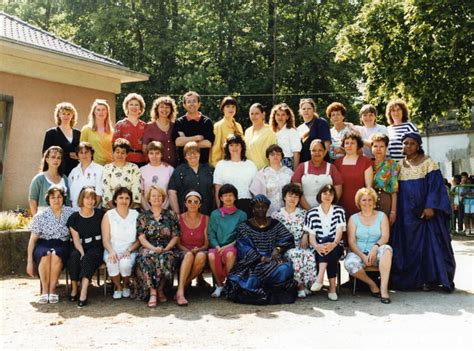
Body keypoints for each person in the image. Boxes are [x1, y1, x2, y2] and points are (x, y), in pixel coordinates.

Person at [391, 132, 455, 292]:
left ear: (418, 145)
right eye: (405, 143)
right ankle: (411, 281)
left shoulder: (429, 163)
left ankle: (430, 279)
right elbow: (394, 189)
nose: (408, 146)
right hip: (405, 214)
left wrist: (431, 206)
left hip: (425, 213)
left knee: (429, 246)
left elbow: (436, 187)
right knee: (408, 246)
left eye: (411, 143)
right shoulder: (398, 165)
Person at [224, 195, 297, 305]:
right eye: (257, 207)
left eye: (263, 207)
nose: (260, 209)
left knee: (285, 268)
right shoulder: (244, 227)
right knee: (249, 281)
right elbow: (244, 247)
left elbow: (287, 238)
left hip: (273, 261)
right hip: (252, 263)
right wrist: (261, 258)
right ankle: (262, 290)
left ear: (267, 208)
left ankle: (272, 290)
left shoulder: (275, 224)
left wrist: (277, 249)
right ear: (253, 209)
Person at [26, 186, 75, 304]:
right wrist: (29, 262)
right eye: (53, 197)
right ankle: (44, 291)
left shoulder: (71, 213)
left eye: (59, 197)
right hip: (44, 243)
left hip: (62, 243)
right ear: (48, 199)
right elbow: (32, 240)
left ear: (63, 198)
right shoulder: (41, 215)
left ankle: (52, 291)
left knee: (56, 254)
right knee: (46, 254)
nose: (56, 200)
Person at [344, 188, 392, 303]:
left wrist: (375, 248)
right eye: (364, 200)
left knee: (387, 250)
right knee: (349, 263)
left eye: (370, 200)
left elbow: (385, 236)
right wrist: (363, 256)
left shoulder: (382, 216)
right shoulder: (353, 218)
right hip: (358, 253)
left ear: (374, 201)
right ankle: (372, 284)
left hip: (377, 251)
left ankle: (384, 290)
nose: (367, 203)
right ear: (359, 202)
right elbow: (351, 242)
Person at [135, 186, 180, 307]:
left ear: (163, 199)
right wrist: (153, 248)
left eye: (159, 196)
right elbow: (141, 237)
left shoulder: (171, 215)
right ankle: (153, 292)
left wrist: (167, 248)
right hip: (148, 247)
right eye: (153, 196)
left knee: (167, 258)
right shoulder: (143, 216)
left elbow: (176, 235)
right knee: (147, 257)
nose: (156, 198)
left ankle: (160, 288)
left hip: (167, 247)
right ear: (149, 199)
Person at [272, 183, 316, 298]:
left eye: (296, 197)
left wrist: (305, 234)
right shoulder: (276, 215)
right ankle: (300, 286)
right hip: (284, 247)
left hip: (301, 246)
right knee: (295, 255)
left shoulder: (304, 214)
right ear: (284, 197)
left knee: (309, 255)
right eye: (290, 195)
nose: (293, 199)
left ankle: (306, 285)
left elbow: (310, 229)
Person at [305, 185, 345, 301]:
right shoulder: (311, 213)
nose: (327, 196)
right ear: (320, 195)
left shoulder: (339, 211)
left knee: (328, 242)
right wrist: (317, 246)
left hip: (336, 246)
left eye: (330, 194)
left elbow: (339, 231)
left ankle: (320, 278)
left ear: (334, 197)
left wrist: (334, 243)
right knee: (326, 247)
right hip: (318, 248)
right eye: (325, 193)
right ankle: (332, 288)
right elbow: (311, 236)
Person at [67, 187, 104, 307]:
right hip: (80, 246)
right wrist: (81, 253)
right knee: (74, 256)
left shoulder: (100, 215)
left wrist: (85, 256)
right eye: (87, 198)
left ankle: (83, 293)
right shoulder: (74, 218)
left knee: (89, 257)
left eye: (93, 198)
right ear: (82, 200)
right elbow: (76, 240)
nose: (91, 201)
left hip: (96, 248)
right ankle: (74, 288)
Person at [208, 184, 247, 298]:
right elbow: (211, 234)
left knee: (230, 253)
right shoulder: (215, 214)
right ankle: (219, 285)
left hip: (233, 246)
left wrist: (229, 245)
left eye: (231, 195)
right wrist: (217, 247)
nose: (228, 198)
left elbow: (241, 235)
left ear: (235, 197)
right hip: (217, 246)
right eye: (225, 195)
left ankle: (230, 284)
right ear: (220, 198)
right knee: (211, 255)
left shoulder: (242, 215)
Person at [101, 187, 140, 299]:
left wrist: (130, 250)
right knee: (112, 262)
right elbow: (105, 240)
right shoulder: (108, 215)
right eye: (121, 198)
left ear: (130, 201)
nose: (124, 201)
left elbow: (139, 239)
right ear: (115, 200)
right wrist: (111, 251)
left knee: (125, 264)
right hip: (112, 248)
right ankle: (118, 287)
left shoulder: (136, 215)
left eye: (127, 198)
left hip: (130, 249)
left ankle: (126, 285)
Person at [175, 191, 209, 306]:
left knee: (201, 256)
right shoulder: (178, 218)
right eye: (189, 201)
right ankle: (181, 291)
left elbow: (206, 244)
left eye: (196, 202)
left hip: (199, 250)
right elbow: (178, 243)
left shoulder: (206, 219)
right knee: (189, 255)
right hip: (183, 251)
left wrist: (198, 249)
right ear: (185, 203)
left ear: (200, 205)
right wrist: (188, 251)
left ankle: (182, 287)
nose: (192, 204)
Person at [291, 139, 343, 210]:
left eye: (320, 150)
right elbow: (297, 192)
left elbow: (338, 192)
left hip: (327, 210)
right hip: (304, 210)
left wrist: (326, 209)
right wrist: (310, 211)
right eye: (314, 150)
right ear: (310, 152)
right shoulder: (301, 167)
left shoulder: (332, 168)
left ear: (325, 151)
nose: (317, 153)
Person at [214, 134, 257, 216]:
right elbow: (218, 189)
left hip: (247, 205)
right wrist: (219, 208)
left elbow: (255, 190)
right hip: (227, 205)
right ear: (227, 147)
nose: (234, 148)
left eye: (237, 145)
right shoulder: (221, 165)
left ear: (242, 146)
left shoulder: (250, 165)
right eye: (231, 145)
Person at [168, 141, 215, 215]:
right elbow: (172, 192)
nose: (192, 155)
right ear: (185, 156)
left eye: (195, 152)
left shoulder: (209, 169)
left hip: (207, 213)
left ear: (199, 154)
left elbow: (215, 190)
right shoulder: (179, 170)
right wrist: (177, 214)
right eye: (189, 154)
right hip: (186, 215)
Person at [334, 131, 373, 218]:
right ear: (343, 145)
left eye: (352, 143)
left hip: (360, 204)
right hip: (341, 204)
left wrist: (366, 204)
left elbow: (369, 187)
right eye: (347, 143)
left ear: (358, 145)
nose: (349, 145)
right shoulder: (337, 163)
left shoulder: (366, 162)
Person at [250, 144, 294, 216]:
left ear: (281, 156)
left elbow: (295, 192)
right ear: (268, 157)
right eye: (272, 154)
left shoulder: (289, 172)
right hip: (268, 211)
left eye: (278, 154)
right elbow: (256, 193)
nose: (275, 156)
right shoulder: (262, 174)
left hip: (286, 211)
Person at [172, 91, 215, 165]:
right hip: (184, 165)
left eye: (194, 101)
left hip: (203, 165)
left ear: (199, 104)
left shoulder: (206, 122)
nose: (191, 104)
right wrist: (196, 138)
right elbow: (178, 142)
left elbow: (208, 143)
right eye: (189, 102)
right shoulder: (179, 122)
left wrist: (185, 141)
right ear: (184, 105)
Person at [29, 146, 70, 216]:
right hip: (44, 217)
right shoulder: (39, 179)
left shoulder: (64, 178)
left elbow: (68, 201)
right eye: (53, 157)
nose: (56, 160)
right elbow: (32, 200)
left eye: (58, 158)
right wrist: (36, 220)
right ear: (47, 159)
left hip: (62, 217)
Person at [42, 102, 81, 175]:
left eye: (68, 114)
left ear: (72, 116)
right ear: (59, 115)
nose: (66, 116)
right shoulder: (51, 133)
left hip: (74, 172)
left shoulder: (78, 133)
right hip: (58, 171)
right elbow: (45, 154)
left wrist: (78, 156)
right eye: (63, 113)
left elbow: (81, 152)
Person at [102, 138, 141, 209]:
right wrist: (115, 211)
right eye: (117, 152)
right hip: (111, 208)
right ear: (113, 152)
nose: (120, 155)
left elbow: (136, 190)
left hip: (131, 208)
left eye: (123, 153)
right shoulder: (107, 168)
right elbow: (106, 190)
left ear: (127, 154)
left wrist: (127, 210)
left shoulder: (134, 168)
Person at [371, 133, 399, 224]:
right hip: (369, 201)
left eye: (381, 146)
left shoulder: (392, 164)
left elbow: (394, 190)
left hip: (385, 200)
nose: (378, 149)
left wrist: (393, 211)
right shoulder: (367, 164)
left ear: (386, 148)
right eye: (375, 146)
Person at [142, 96, 178, 167]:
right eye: (161, 107)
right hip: (157, 166)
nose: (164, 109)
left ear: (171, 110)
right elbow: (144, 149)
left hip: (174, 166)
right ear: (157, 109)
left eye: (167, 107)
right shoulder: (150, 126)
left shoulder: (175, 126)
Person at [113, 93, 147, 166]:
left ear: (140, 108)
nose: (134, 107)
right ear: (127, 107)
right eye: (131, 104)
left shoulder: (145, 126)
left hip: (142, 161)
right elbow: (114, 145)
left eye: (136, 104)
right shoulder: (120, 125)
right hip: (125, 161)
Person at [68, 142, 103, 210]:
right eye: (81, 152)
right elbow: (70, 197)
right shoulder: (73, 172)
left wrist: (91, 212)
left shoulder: (100, 170)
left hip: (92, 212)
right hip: (75, 212)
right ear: (77, 155)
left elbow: (99, 195)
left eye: (86, 152)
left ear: (91, 153)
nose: (84, 155)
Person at [140, 141, 174, 210]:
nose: (154, 156)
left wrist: (164, 210)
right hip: (147, 210)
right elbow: (140, 194)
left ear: (161, 154)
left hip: (165, 210)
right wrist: (149, 211)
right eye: (151, 153)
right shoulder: (142, 170)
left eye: (157, 153)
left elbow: (171, 193)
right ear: (148, 154)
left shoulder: (169, 169)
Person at [210, 96, 244, 167]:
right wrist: (216, 165)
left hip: (238, 164)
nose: (231, 109)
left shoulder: (238, 126)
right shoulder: (218, 126)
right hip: (224, 164)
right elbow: (216, 149)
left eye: (233, 106)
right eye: (228, 106)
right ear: (223, 109)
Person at [80, 99, 114, 165]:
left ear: (107, 112)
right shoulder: (86, 129)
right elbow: (82, 150)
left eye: (103, 109)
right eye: (98, 109)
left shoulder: (112, 131)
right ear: (94, 112)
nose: (101, 112)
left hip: (109, 166)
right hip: (93, 165)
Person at [296, 98, 330, 163]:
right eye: (304, 109)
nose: (306, 111)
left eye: (309, 108)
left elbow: (327, 145)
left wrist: (317, 162)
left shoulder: (321, 123)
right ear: (300, 111)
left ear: (313, 110)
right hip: (304, 164)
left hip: (320, 163)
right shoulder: (299, 128)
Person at [244, 103, 277, 170]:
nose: (254, 116)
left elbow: (274, 153)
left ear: (263, 114)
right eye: (252, 114)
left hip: (264, 170)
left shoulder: (270, 131)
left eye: (257, 113)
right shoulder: (247, 131)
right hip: (248, 170)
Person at [268, 103, 301, 170]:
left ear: (287, 117)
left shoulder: (292, 131)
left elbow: (296, 153)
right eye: (278, 115)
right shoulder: (271, 131)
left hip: (287, 163)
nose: (280, 117)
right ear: (274, 116)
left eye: (283, 115)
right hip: (273, 163)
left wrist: (295, 172)